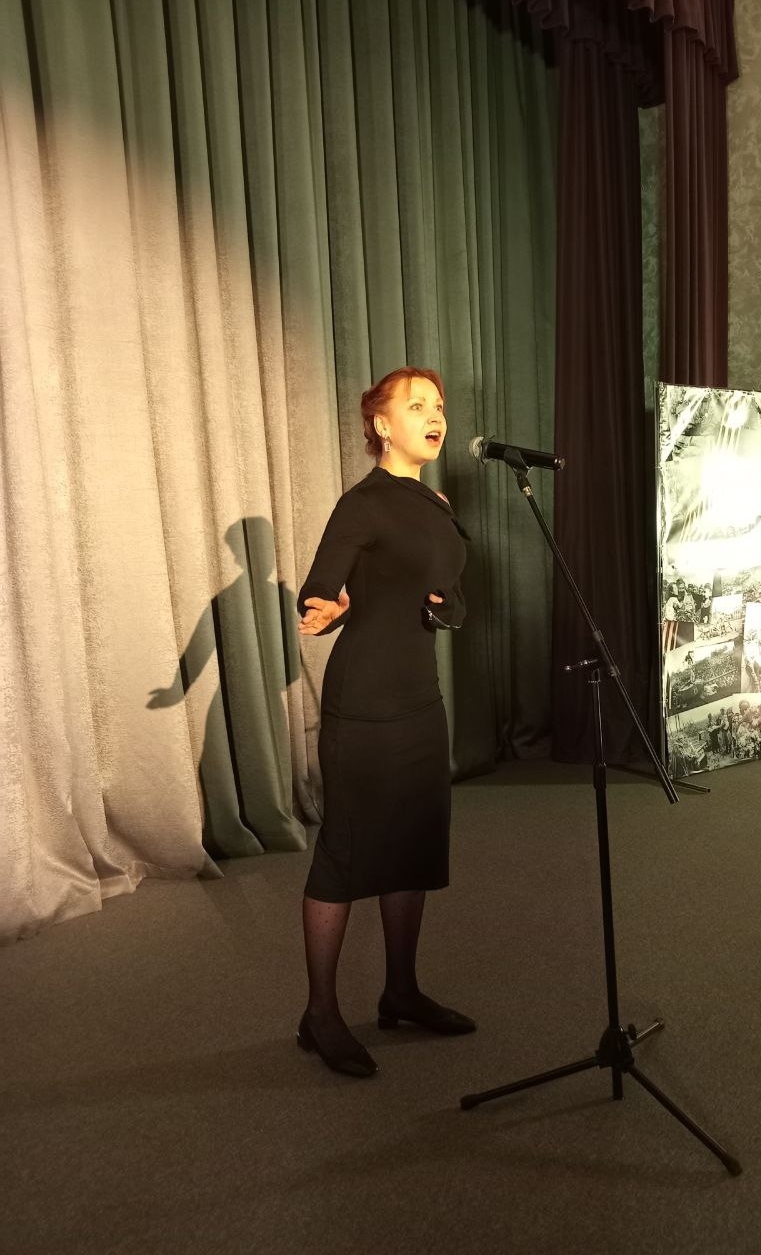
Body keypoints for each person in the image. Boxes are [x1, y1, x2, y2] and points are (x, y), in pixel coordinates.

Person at [296, 366, 474, 1079]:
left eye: (439, 406)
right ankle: (320, 1014)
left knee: (413, 845)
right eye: (417, 405)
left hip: (420, 700)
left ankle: (400, 990)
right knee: (345, 855)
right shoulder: (363, 504)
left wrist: (446, 607)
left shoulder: (437, 502)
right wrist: (326, 606)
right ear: (381, 424)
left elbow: (452, 598)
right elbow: (321, 583)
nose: (435, 416)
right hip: (364, 703)